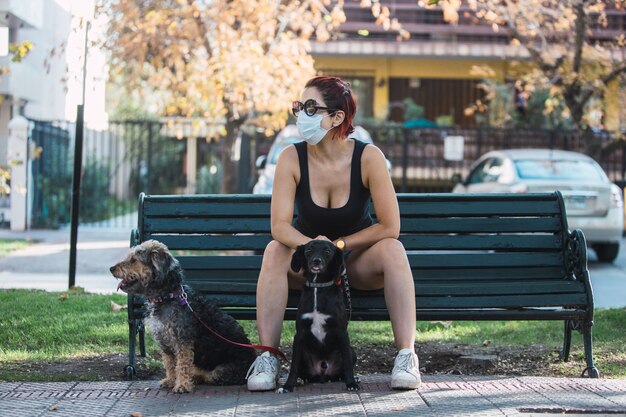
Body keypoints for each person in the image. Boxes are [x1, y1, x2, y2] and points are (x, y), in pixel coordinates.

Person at [246, 76, 420, 391]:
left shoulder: (369, 158)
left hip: (353, 264)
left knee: (394, 248)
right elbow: (280, 226)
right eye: (299, 107)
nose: (301, 115)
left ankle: (406, 355)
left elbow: (389, 226)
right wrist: (314, 247)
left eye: (311, 108)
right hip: (307, 266)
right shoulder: (290, 158)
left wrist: (337, 246)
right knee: (273, 250)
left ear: (337, 117)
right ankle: (268, 357)